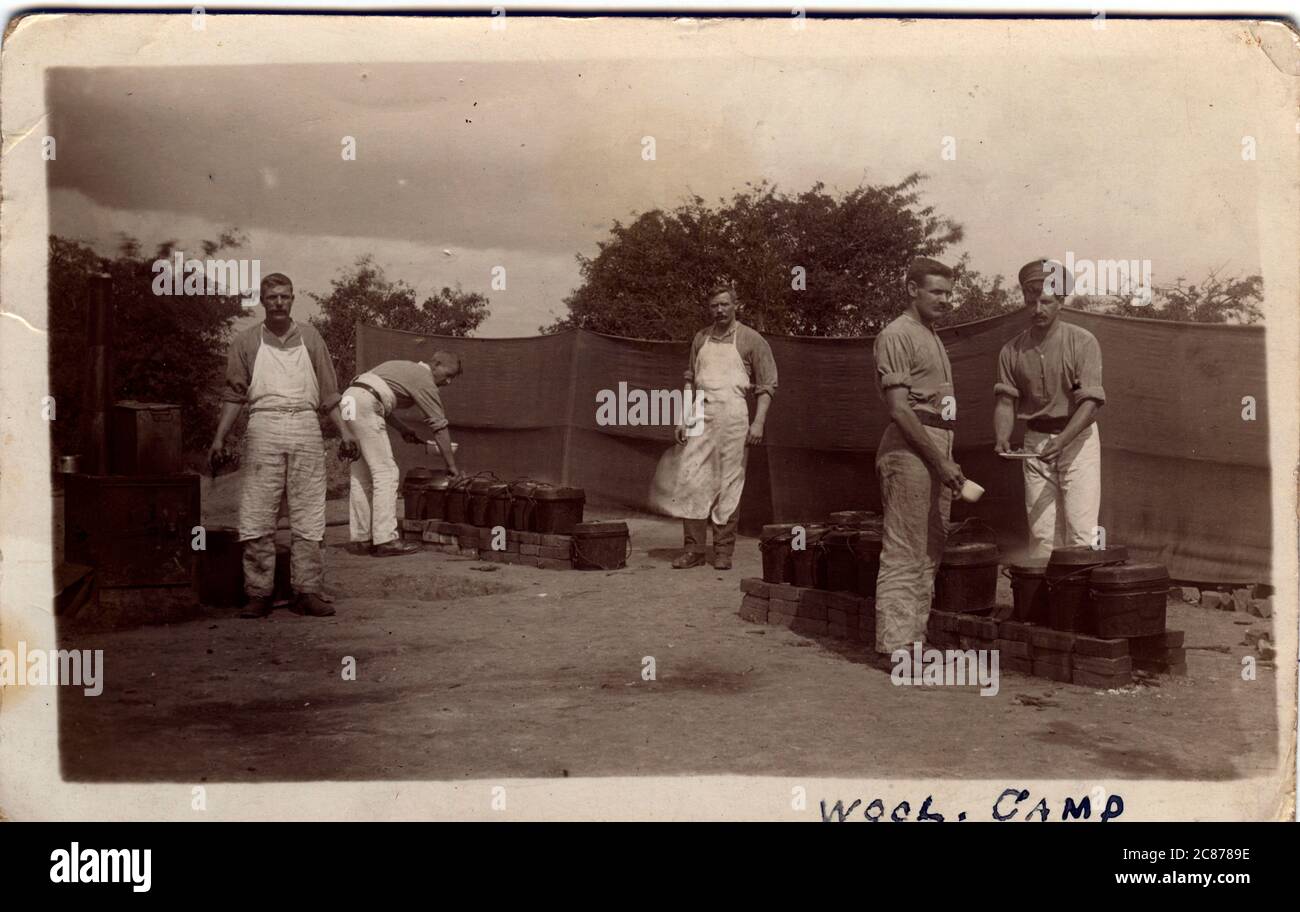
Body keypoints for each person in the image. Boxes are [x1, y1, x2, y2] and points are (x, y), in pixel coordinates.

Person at [208, 272, 354, 619]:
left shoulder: (312, 338)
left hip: (305, 423)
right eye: (272, 297)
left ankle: (308, 591)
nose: (278, 303)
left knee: (309, 512)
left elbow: (330, 394)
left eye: (285, 297)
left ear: (292, 299)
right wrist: (219, 437)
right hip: (263, 426)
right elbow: (233, 394)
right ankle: (259, 593)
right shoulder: (245, 341)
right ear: (262, 300)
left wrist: (346, 433)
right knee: (258, 512)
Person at [872, 257, 965, 655]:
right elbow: (899, 408)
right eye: (936, 291)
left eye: (948, 293)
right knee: (905, 548)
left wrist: (945, 456)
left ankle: (914, 640)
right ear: (912, 289)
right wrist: (939, 461)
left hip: (938, 441)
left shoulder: (932, 334)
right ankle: (896, 646)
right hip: (910, 447)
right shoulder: (896, 334)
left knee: (930, 548)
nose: (944, 300)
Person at [994, 259, 1106, 558]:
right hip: (1035, 443)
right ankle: (1048, 603)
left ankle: (1078, 602)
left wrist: (1063, 440)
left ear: (1061, 303)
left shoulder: (1082, 342)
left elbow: (1091, 403)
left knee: (1081, 531)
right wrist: (1002, 436)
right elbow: (1006, 400)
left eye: (1046, 301)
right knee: (1042, 534)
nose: (1037, 309)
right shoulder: (1012, 350)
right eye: (1031, 302)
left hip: (1077, 440)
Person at [671, 279, 777, 571]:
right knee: (692, 479)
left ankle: (723, 552)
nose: (719, 310)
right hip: (701, 416)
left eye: (724, 304)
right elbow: (690, 380)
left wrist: (758, 423)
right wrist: (684, 417)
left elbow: (767, 386)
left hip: (734, 418)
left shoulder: (751, 339)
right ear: (709, 308)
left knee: (729, 483)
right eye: (714, 305)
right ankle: (694, 550)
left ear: (735, 305)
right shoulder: (700, 338)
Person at [342, 354, 463, 556]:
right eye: (448, 375)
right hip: (365, 403)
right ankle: (386, 540)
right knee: (386, 473)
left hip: (349, 400)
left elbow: (374, 395)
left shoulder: (403, 367)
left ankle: (362, 539)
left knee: (361, 475)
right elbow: (439, 427)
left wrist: (403, 429)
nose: (448, 381)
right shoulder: (425, 380)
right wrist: (451, 466)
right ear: (436, 364)